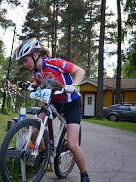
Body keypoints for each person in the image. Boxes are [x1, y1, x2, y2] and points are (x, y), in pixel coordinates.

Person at [15, 38, 90, 182]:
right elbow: (39, 83)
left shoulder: (55, 63)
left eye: (25, 60)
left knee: (72, 145)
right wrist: (27, 85)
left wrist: (74, 85)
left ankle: (84, 174)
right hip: (53, 101)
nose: (24, 64)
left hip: (71, 103)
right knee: (35, 131)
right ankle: (42, 153)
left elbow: (80, 71)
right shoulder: (36, 71)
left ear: (35, 55)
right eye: (23, 62)